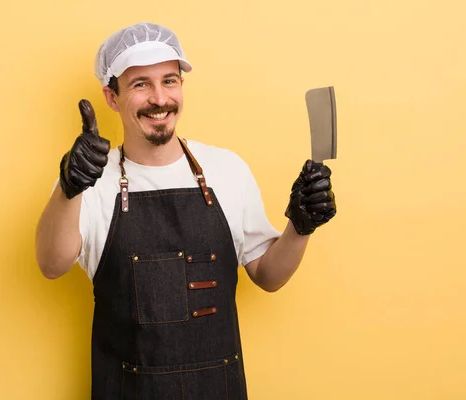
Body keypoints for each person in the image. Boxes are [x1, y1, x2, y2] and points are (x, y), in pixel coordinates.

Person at [35, 22, 336, 400]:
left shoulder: (228, 169)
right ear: (111, 97)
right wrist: (68, 189)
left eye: (170, 80)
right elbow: (51, 264)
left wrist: (301, 227)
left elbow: (268, 275)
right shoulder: (88, 177)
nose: (159, 98)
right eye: (140, 84)